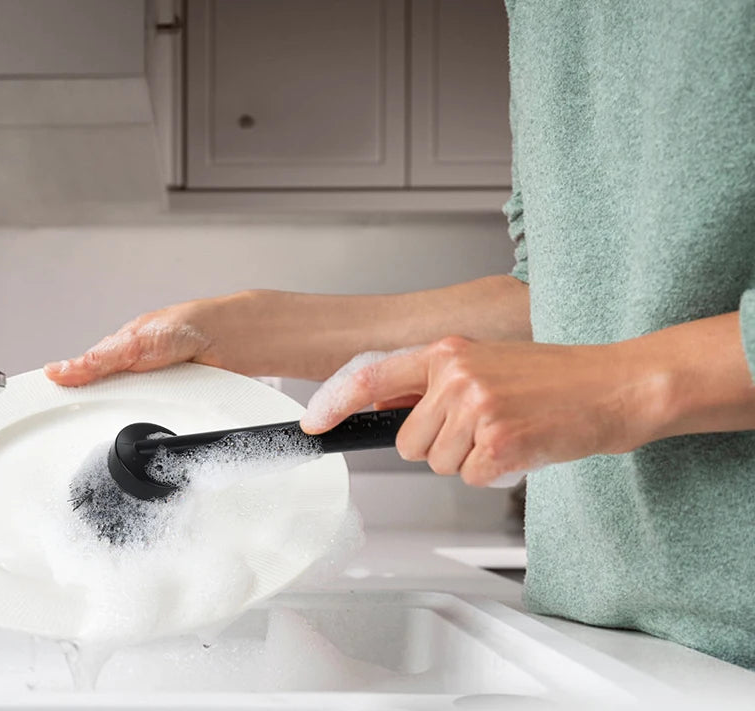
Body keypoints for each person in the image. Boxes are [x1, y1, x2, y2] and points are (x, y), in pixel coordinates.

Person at [44, 2, 755, 669]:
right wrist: (250, 326)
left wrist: (624, 384)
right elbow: (573, 295)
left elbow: (607, 350)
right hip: (597, 630)